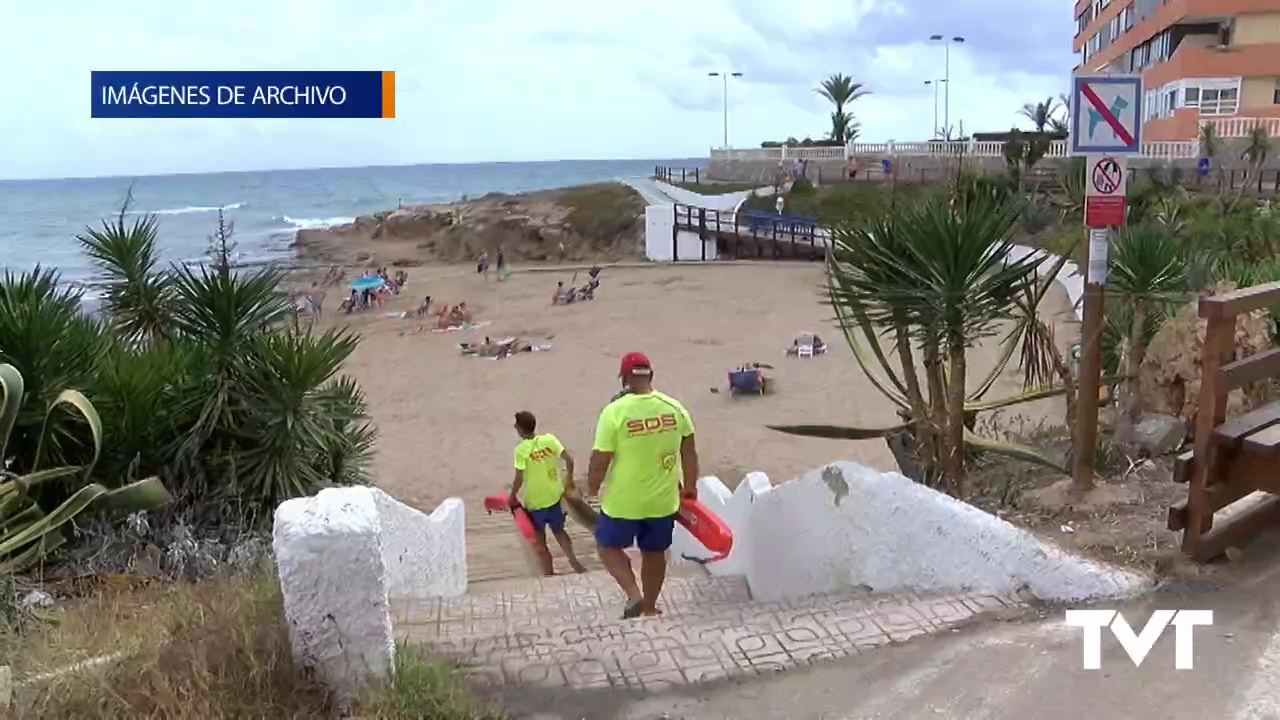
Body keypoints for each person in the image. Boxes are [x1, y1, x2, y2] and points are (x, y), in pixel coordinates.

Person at [588, 352, 699, 619]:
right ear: (651, 375)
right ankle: (650, 607)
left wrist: (591, 488)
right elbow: (690, 452)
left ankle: (633, 593)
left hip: (622, 503)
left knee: (607, 546)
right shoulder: (674, 408)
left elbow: (600, 459)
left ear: (624, 379)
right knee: (655, 553)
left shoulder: (613, 412)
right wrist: (690, 487)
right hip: (663, 502)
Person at [509, 411, 587, 575]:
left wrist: (512, 495)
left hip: (534, 502)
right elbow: (569, 460)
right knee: (559, 531)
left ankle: (549, 571)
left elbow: (519, 479)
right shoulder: (549, 440)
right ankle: (573, 561)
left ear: (518, 429)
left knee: (540, 538)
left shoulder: (520, 450)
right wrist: (569, 479)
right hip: (554, 497)